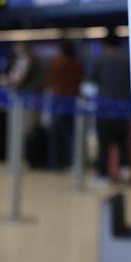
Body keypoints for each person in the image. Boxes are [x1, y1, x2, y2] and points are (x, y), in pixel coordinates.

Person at [89, 32, 131, 185]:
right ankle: (125, 170)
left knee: (104, 144)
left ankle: (103, 175)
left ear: (105, 44)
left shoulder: (100, 60)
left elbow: (91, 82)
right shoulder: (127, 60)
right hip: (123, 109)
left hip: (104, 108)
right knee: (123, 141)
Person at [45, 39, 84, 170]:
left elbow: (50, 80)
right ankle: (72, 162)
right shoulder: (77, 63)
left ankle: (55, 163)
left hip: (58, 100)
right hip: (72, 100)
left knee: (56, 134)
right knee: (71, 134)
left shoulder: (58, 63)